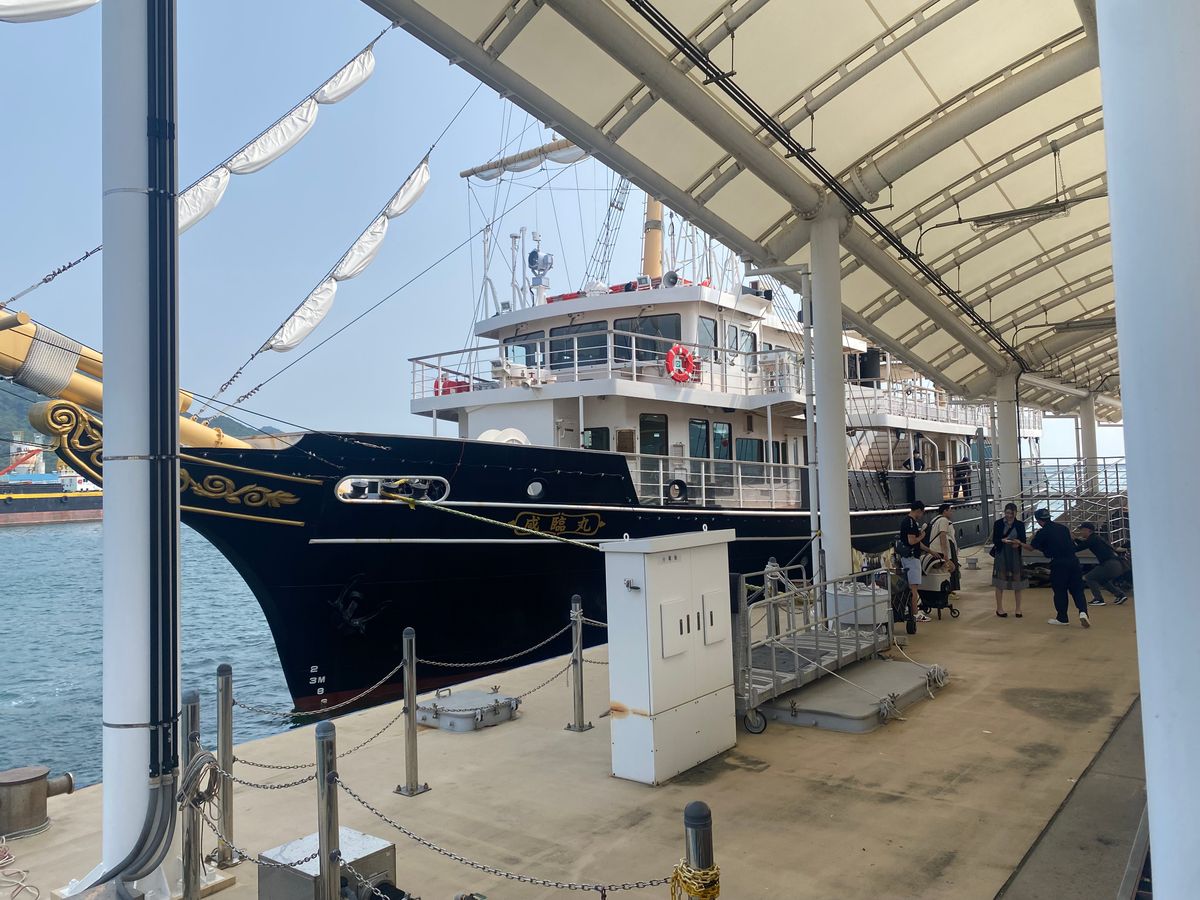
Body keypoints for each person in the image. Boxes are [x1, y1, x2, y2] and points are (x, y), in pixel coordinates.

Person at [1013, 508, 1090, 628]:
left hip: (1058, 563)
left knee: (1060, 591)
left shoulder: (1042, 533)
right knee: (1077, 589)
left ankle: (1062, 618)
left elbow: (1031, 548)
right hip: (1073, 561)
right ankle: (1083, 612)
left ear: (1038, 520)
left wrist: (1019, 543)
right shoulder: (1063, 528)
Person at [898, 500, 937, 623]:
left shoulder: (908, 521)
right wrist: (922, 535)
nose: (922, 515)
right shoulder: (910, 523)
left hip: (908, 557)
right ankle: (915, 614)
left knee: (910, 586)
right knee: (913, 587)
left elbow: (916, 543)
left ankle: (910, 610)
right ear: (919, 510)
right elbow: (912, 541)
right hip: (911, 558)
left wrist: (930, 551)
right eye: (922, 513)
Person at [1074, 522, 1129, 606]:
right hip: (1118, 564)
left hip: (1110, 564)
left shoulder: (1092, 539)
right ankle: (1120, 595)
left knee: (1089, 577)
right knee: (1102, 579)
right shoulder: (1095, 538)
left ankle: (1098, 599)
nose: (1081, 532)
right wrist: (1075, 539)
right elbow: (1083, 544)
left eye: (1082, 530)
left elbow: (1077, 548)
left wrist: (1072, 540)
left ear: (1087, 530)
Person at [991, 503, 1026, 618]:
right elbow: (995, 539)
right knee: (1000, 580)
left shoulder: (1020, 525)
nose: (1009, 515)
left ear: (1015, 513)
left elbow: (1023, 540)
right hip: (1002, 553)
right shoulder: (998, 523)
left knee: (1017, 580)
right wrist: (1002, 540)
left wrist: (1018, 543)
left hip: (1014, 554)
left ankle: (1018, 609)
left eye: (1011, 513)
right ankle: (999, 608)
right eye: (1007, 513)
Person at [929, 502, 960, 593]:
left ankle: (945, 590)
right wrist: (945, 554)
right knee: (948, 570)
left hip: (934, 549)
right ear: (945, 511)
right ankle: (947, 591)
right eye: (950, 510)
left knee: (941, 571)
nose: (951, 513)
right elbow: (943, 536)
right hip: (940, 550)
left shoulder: (934, 520)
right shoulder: (944, 520)